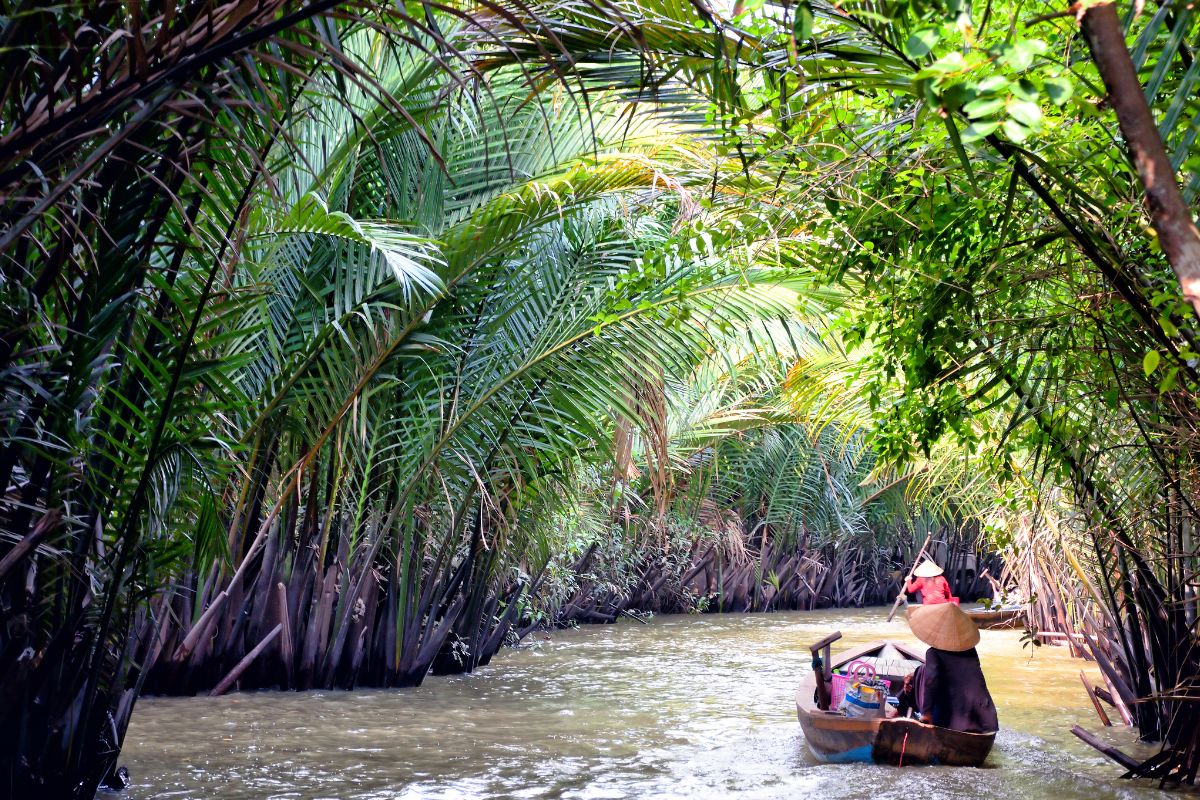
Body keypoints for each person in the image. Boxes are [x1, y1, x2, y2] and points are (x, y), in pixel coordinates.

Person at [906, 602, 998, 734]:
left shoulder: (933, 653)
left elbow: (932, 680)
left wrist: (927, 713)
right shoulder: (970, 651)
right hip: (983, 718)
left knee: (919, 673)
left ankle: (901, 708)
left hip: (955, 720)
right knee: (919, 671)